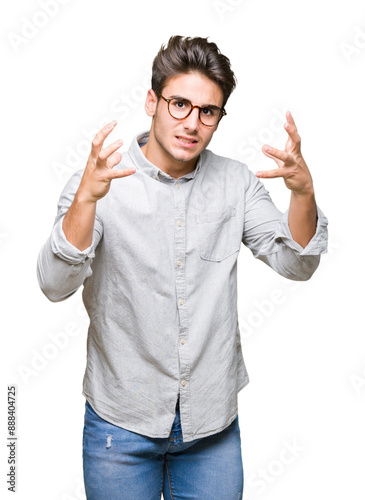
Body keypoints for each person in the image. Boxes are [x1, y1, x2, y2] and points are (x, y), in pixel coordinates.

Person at [37, 35, 328, 499]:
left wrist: (303, 195)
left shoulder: (236, 183)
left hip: (211, 428)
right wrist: (86, 202)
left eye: (207, 111)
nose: (192, 123)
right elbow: (54, 285)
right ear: (152, 101)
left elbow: (297, 263)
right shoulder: (97, 183)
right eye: (179, 104)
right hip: (121, 425)